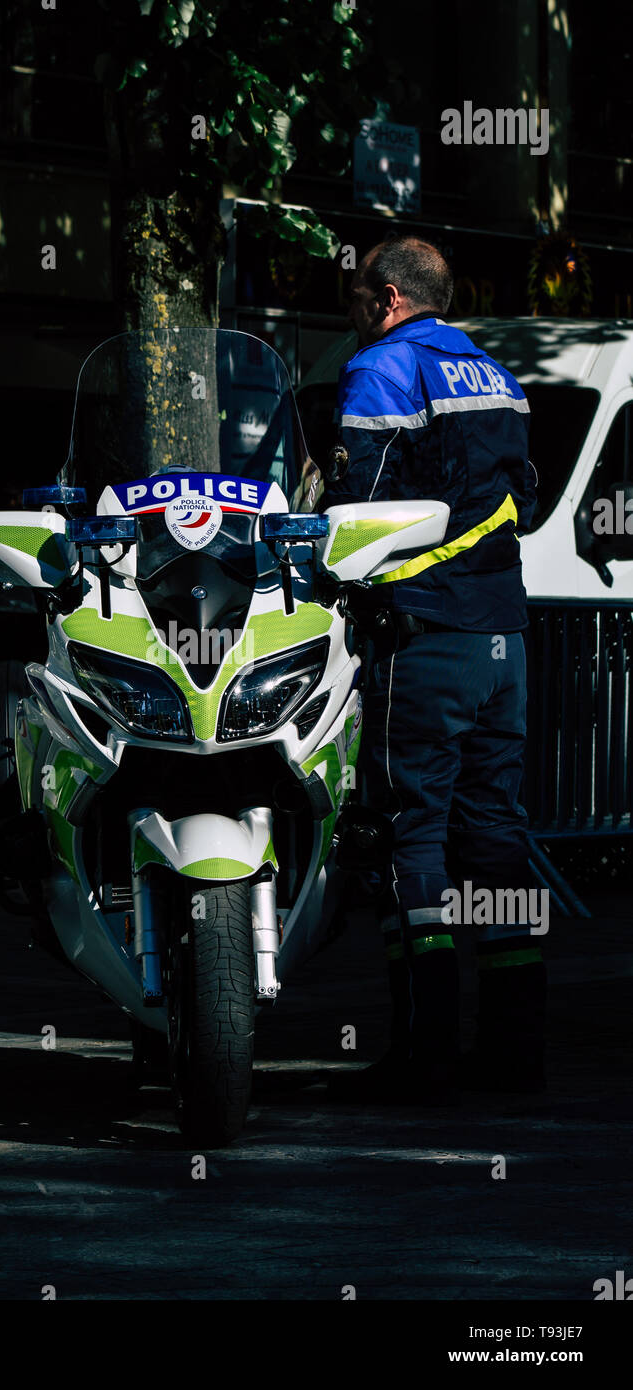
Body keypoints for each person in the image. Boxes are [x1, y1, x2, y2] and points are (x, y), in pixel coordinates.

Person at [324, 235, 544, 1105]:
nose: (352, 312)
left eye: (354, 296)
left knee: (410, 836)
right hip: (505, 638)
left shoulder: (383, 369)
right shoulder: (498, 375)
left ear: (386, 299)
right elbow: (519, 493)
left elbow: (359, 512)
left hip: (427, 639)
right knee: (496, 834)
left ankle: (426, 1054)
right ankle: (515, 1051)